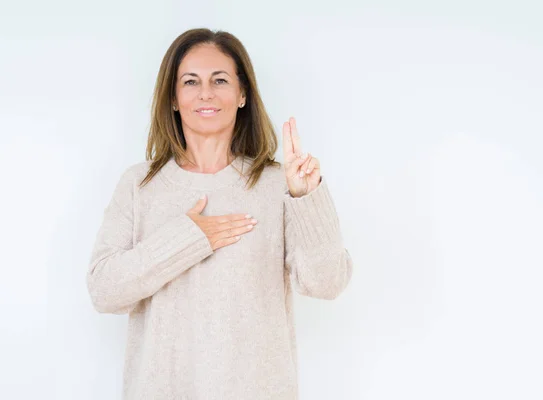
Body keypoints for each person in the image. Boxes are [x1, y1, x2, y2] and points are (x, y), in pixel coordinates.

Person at [86, 28, 353, 400]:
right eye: (191, 81)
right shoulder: (139, 185)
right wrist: (188, 238)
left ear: (242, 94)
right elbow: (104, 291)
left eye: (220, 80)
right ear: (174, 98)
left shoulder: (278, 184)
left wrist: (306, 197)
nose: (206, 93)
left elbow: (327, 283)